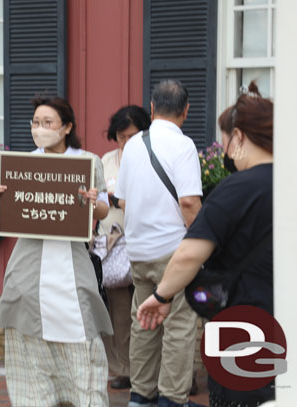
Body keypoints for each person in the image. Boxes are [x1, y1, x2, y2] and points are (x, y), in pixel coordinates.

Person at [137, 82, 274, 407]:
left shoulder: (236, 189)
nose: (225, 150)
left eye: (225, 141)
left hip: (244, 321)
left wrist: (162, 295)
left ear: (238, 137)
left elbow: (188, 255)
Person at [0, 96, 113, 406]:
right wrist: (2, 197)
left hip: (72, 266)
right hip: (29, 266)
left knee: (83, 338)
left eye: (48, 122)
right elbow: (14, 211)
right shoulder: (23, 164)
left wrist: (91, 201)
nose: (40, 128)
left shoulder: (87, 161)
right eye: (35, 122)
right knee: (27, 336)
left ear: (67, 127)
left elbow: (102, 210)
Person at [114, 79, 203, 407]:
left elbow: (121, 201)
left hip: (138, 251)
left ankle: (141, 395)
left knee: (145, 320)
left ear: (152, 109)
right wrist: (203, 243)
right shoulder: (183, 147)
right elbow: (190, 203)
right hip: (173, 250)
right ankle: (172, 399)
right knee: (178, 323)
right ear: (186, 111)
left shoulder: (134, 144)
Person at [100, 105, 151, 390]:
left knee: (148, 310)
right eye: (121, 136)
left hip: (146, 243)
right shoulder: (106, 161)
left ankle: (155, 371)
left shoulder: (153, 160)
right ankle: (124, 369)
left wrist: (117, 199)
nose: (126, 142)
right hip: (113, 245)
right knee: (119, 312)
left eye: (132, 136)